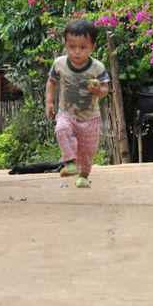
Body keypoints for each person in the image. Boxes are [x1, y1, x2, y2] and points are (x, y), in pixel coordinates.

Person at [44, 18, 110, 188]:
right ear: (65, 44)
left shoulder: (97, 67)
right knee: (62, 128)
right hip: (67, 113)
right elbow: (52, 82)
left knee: (87, 152)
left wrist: (97, 91)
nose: (77, 52)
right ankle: (70, 162)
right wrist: (49, 102)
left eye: (83, 47)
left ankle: (83, 176)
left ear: (92, 47)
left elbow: (105, 90)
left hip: (90, 118)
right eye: (72, 47)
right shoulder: (60, 64)